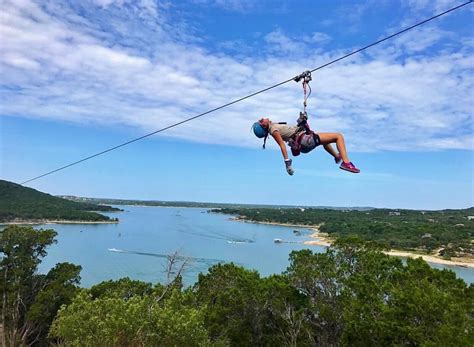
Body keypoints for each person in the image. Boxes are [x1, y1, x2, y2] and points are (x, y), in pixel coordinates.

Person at [252, 116, 360, 176]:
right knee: (338, 136)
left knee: (324, 141)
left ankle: (336, 156)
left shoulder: (274, 126)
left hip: (304, 141)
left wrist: (301, 122)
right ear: (264, 127)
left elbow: (291, 132)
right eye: (261, 121)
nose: (263, 118)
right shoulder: (273, 129)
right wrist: (287, 163)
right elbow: (281, 145)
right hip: (304, 140)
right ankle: (346, 163)